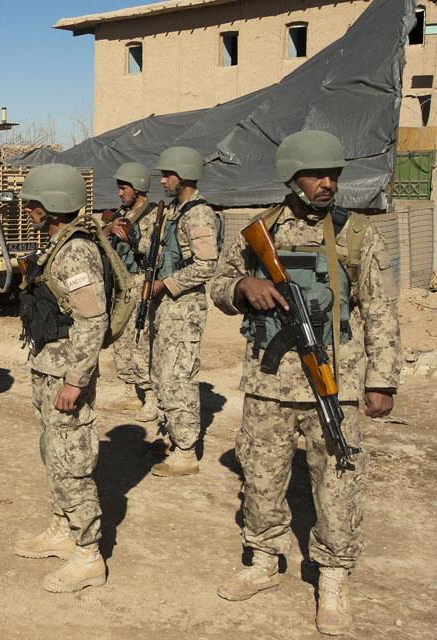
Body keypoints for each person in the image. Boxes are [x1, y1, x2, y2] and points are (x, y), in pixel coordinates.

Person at [210, 130, 401, 636]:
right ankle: (263, 560)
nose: (327, 182)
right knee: (262, 474)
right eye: (317, 174)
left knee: (338, 481)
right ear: (291, 176)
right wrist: (243, 286)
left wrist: (382, 381)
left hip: (332, 385)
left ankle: (333, 578)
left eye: (334, 174)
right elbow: (216, 285)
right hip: (268, 383)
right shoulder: (260, 232)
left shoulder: (358, 234)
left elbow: (380, 311)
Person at [13, 163, 108, 593]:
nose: (29, 208)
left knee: (72, 464)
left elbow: (92, 320)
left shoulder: (76, 252)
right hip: (47, 368)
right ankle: (62, 527)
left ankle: (88, 553)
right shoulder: (56, 246)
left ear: (53, 205)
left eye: (34, 202)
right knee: (53, 452)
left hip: (66, 373)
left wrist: (76, 379)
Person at [147, 146, 220, 476]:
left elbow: (206, 265)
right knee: (163, 374)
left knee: (179, 378)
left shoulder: (199, 215)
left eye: (168, 175)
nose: (162, 181)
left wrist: (165, 284)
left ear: (186, 175)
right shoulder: (176, 211)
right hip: (168, 308)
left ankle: (186, 451)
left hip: (185, 308)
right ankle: (174, 437)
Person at [102, 162, 159, 422]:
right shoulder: (121, 212)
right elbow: (101, 237)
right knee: (121, 338)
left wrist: (130, 239)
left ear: (138, 189)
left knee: (141, 341)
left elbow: (155, 251)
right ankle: (129, 390)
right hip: (122, 283)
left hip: (141, 282)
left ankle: (151, 396)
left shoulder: (155, 215)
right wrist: (109, 229)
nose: (119, 193)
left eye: (123, 188)